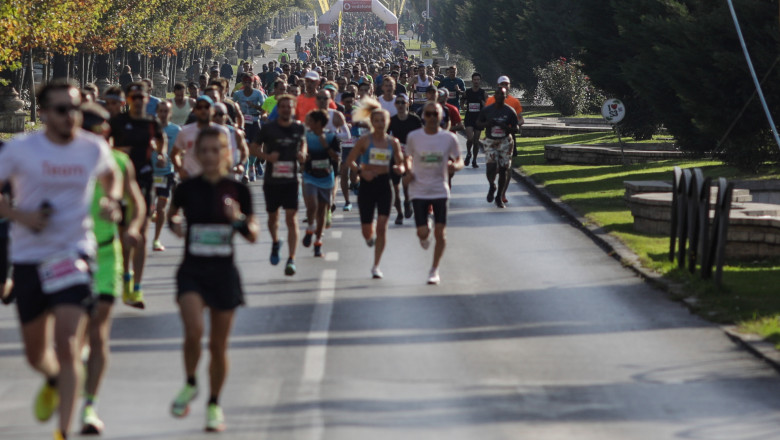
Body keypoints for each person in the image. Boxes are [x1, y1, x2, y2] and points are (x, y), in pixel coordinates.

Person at [0, 79, 122, 440]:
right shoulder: (21, 150)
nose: (71, 116)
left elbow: (110, 174)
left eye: (75, 109)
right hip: (29, 258)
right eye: (61, 110)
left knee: (68, 344)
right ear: (43, 113)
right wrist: (19, 215)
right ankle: (52, 377)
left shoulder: (91, 147)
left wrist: (110, 200)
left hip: (74, 254)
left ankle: (63, 432)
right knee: (37, 355)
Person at [167, 127, 259, 432]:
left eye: (214, 150)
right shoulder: (186, 188)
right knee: (193, 330)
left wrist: (239, 219)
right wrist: (176, 224)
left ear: (225, 153)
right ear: (196, 155)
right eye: (202, 151)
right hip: (192, 270)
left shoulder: (238, 190)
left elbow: (253, 234)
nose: (208, 156)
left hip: (223, 273)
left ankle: (214, 404)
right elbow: (172, 217)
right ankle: (191, 382)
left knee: (218, 346)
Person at [78, 103, 145, 435]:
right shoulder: (62, 162)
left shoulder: (119, 161)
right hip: (69, 257)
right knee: (72, 337)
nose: (95, 134)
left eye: (100, 129)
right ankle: (60, 376)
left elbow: (136, 200)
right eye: (88, 128)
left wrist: (133, 226)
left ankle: (89, 406)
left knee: (98, 331)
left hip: (106, 254)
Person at [109, 81, 166, 309]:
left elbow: (162, 139)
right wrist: (117, 152)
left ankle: (138, 287)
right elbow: (106, 145)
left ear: (147, 98)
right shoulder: (118, 122)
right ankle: (126, 278)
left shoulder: (151, 122)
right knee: (125, 234)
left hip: (144, 179)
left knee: (141, 233)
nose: (139, 101)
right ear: (128, 101)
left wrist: (161, 153)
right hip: (121, 181)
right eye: (134, 98)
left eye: (142, 97)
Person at [404, 101, 464, 284]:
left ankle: (434, 269)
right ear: (423, 117)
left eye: (435, 114)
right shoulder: (414, 137)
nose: (431, 118)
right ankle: (425, 230)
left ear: (440, 117)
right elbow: (408, 157)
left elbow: (460, 160)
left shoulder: (449, 138)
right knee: (422, 233)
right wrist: (408, 169)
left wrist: (455, 166)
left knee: (441, 232)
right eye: (428, 114)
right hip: (419, 189)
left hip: (440, 189)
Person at [345, 98, 405, 279]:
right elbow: (350, 161)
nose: (380, 124)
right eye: (376, 121)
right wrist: (361, 171)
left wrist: (399, 169)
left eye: (383, 121)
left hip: (384, 184)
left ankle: (376, 265)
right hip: (367, 186)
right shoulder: (364, 141)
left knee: (382, 227)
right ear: (372, 122)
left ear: (388, 123)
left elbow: (401, 164)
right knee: (367, 230)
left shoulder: (392, 142)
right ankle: (368, 237)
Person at [250, 95, 306, 276]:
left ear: (293, 109)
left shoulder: (298, 128)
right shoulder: (269, 128)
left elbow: (303, 144)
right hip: (272, 180)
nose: (285, 109)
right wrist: (267, 158)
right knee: (273, 217)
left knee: (291, 218)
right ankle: (275, 242)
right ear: (278, 109)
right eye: (282, 107)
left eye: (288, 107)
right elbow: (253, 148)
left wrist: (302, 154)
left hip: (291, 179)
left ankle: (291, 258)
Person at [301, 110, 341, 257]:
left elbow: (336, 157)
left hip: (326, 178)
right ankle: (310, 227)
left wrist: (325, 146)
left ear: (318, 123)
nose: (308, 123)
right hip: (310, 176)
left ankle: (318, 242)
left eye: (310, 121)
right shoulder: (306, 136)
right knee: (312, 206)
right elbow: (301, 151)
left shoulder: (331, 137)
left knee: (322, 211)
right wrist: (303, 156)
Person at [476, 87, 519, 209]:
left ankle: (499, 197)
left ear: (506, 96)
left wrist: (505, 126)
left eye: (503, 94)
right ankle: (491, 185)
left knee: (503, 169)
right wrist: (487, 124)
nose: (500, 96)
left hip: (505, 141)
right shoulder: (487, 110)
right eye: (498, 94)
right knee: (490, 167)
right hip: (491, 141)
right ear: (494, 96)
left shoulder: (509, 111)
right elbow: (478, 123)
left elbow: (516, 129)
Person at [485, 75, 524, 204]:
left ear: (509, 86)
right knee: (492, 167)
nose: (504, 86)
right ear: (498, 86)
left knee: (506, 167)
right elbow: (484, 117)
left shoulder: (514, 102)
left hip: (508, 139)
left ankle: (502, 194)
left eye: (506, 84)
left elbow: (520, 119)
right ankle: (493, 185)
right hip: (492, 138)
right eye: (502, 84)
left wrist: (512, 126)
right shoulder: (490, 101)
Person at [387, 93, 422, 224]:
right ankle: (400, 213)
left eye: (403, 102)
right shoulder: (392, 120)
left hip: (410, 154)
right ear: (395, 105)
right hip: (395, 155)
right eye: (398, 102)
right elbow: (386, 137)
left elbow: (421, 136)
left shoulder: (415, 119)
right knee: (395, 188)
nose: (400, 105)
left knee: (406, 183)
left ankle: (407, 201)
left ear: (408, 104)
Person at [151, 101, 180, 252]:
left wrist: (179, 167)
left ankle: (156, 239)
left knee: (161, 207)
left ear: (170, 113)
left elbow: (181, 151)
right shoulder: (149, 128)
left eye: (165, 111)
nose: (163, 114)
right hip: (149, 173)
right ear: (157, 112)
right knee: (149, 209)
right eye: (160, 111)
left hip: (166, 173)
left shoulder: (176, 130)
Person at [463, 72, 486, 168]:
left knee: (476, 141)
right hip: (469, 117)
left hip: (478, 119)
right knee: (470, 139)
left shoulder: (483, 93)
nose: (476, 81)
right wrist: (462, 106)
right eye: (475, 79)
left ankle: (474, 160)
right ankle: (468, 153)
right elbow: (462, 100)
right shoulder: (467, 92)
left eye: (478, 80)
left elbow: (487, 106)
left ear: (480, 81)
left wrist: (483, 104)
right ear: (472, 80)